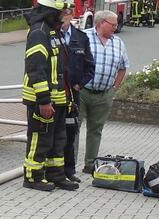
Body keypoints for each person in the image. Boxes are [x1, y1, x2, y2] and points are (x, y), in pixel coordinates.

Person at [21, 0, 78, 191]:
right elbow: (36, 69)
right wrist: (44, 100)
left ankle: (56, 175)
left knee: (57, 140)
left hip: (58, 99)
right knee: (40, 139)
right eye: (61, 10)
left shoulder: (53, 31)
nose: (65, 13)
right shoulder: (39, 32)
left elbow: (60, 68)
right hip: (42, 100)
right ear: (50, 11)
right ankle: (32, 177)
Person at [79, 10, 129, 174]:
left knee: (96, 130)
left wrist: (115, 87)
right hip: (82, 92)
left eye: (116, 24)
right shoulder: (83, 37)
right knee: (73, 128)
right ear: (101, 23)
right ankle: (68, 165)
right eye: (113, 24)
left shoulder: (118, 42)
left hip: (104, 94)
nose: (115, 27)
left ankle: (90, 165)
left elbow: (123, 67)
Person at [59, 8, 94, 183]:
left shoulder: (81, 38)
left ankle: (69, 170)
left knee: (70, 132)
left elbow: (90, 66)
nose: (62, 18)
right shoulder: (51, 35)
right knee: (55, 133)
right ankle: (52, 170)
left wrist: (80, 84)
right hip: (56, 93)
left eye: (65, 14)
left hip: (73, 95)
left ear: (71, 16)